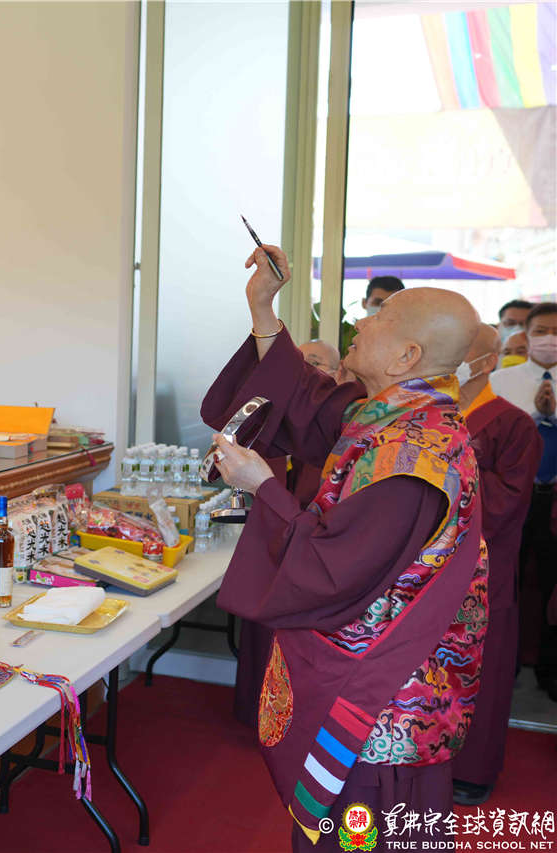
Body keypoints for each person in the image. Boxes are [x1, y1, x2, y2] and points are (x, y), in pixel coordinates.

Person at [203, 244, 485, 852]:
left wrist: (264, 487)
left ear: (408, 356)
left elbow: (331, 570)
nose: (361, 320)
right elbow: (309, 402)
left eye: (380, 316)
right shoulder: (393, 415)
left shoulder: (412, 456)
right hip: (379, 682)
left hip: (380, 705)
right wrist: (263, 311)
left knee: (364, 838)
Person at [232, 337, 349, 730]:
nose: (306, 372)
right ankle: (254, 712)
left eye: (314, 363)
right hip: (271, 543)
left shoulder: (343, 432)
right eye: (301, 363)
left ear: (335, 376)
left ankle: (289, 725)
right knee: (261, 639)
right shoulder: (274, 418)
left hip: (308, 553)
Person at [449, 325, 541, 805]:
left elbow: (506, 503)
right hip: (419, 567)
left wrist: (449, 470)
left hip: (481, 569)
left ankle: (472, 770)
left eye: (459, 351)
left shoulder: (513, 424)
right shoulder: (429, 414)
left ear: (485, 362)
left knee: (479, 669)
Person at [491, 302, 557, 700]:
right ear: (527, 336)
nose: (550, 339)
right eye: (542, 331)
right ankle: (505, 664)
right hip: (514, 496)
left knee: (553, 588)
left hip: (556, 500)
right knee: (507, 582)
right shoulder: (501, 381)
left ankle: (550, 670)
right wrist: (534, 416)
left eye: (556, 332)